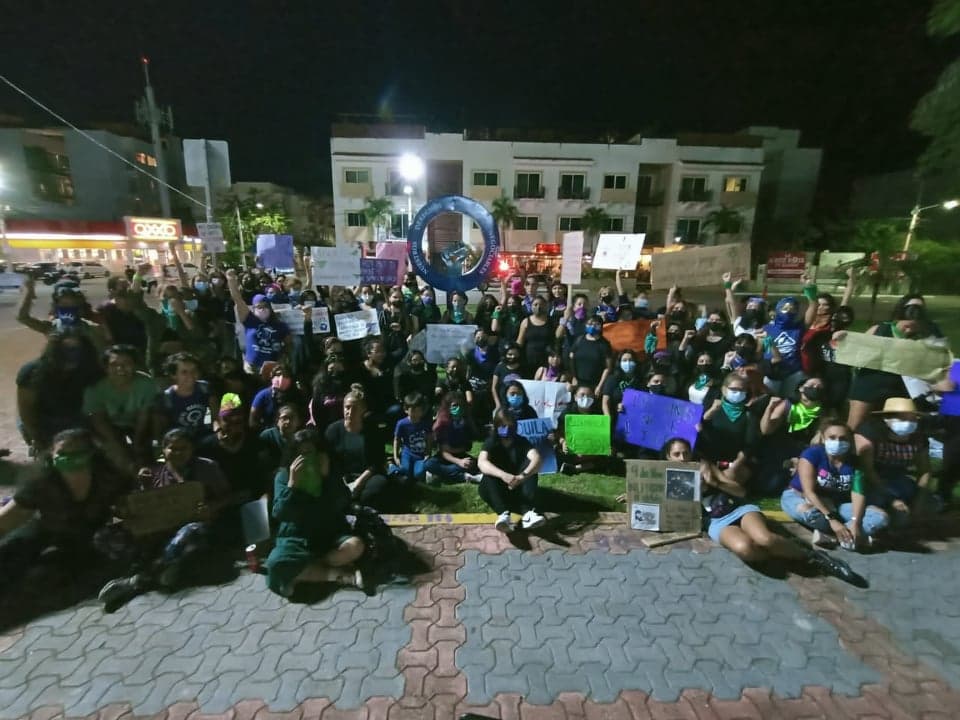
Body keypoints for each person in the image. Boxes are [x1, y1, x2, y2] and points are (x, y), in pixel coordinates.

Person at [96, 429, 233, 610]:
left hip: (194, 529)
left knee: (191, 531)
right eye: (172, 448)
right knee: (106, 533)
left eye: (183, 448)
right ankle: (158, 569)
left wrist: (212, 507)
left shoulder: (207, 467)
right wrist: (132, 500)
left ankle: (137, 581)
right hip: (158, 532)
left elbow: (229, 496)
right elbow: (132, 508)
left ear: (192, 449)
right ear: (163, 449)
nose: (177, 453)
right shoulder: (152, 471)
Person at [0, 429, 130, 589]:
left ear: (92, 455)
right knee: (12, 550)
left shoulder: (110, 479)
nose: (70, 459)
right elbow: (8, 518)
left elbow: (133, 507)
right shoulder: (41, 483)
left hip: (92, 537)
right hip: (50, 531)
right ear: (51, 456)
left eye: (78, 453)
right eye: (62, 453)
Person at [265, 428, 365, 598]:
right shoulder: (283, 476)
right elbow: (279, 513)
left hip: (329, 533)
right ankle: (339, 575)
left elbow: (343, 501)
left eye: (310, 452)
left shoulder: (328, 470)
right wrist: (292, 486)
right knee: (275, 564)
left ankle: (309, 570)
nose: (306, 459)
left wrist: (326, 479)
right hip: (296, 537)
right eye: (300, 454)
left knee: (355, 546)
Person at [781, 418, 889, 550]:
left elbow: (858, 493)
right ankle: (852, 538)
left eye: (843, 438)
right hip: (801, 497)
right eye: (832, 437)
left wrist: (856, 522)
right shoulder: (811, 454)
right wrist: (832, 519)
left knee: (880, 516)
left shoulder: (855, 462)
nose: (837, 442)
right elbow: (809, 491)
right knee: (809, 513)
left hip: (836, 504)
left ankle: (835, 537)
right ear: (823, 437)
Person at [846, 298, 936, 430]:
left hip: (899, 389)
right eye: (911, 308)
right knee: (854, 426)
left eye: (920, 309)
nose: (915, 313)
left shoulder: (923, 336)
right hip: (869, 386)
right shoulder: (879, 329)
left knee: (895, 430)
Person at [17, 328, 103, 455]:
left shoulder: (90, 369)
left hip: (78, 418)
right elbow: (26, 412)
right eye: (67, 350)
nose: (72, 355)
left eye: (77, 350)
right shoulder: (32, 372)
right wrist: (37, 439)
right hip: (43, 420)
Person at [855, 398, 934, 526]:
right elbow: (867, 471)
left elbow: (925, 470)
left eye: (913, 419)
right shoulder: (870, 433)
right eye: (903, 419)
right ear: (887, 419)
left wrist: (920, 499)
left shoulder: (918, 438)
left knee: (932, 504)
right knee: (890, 511)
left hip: (898, 482)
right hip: (871, 483)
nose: (909, 423)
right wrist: (892, 500)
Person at [83, 344, 159, 473]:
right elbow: (98, 419)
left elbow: (144, 416)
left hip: (136, 423)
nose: (120, 368)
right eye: (114, 364)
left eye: (127, 363)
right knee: (113, 453)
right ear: (106, 367)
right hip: (109, 425)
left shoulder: (146, 383)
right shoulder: (95, 387)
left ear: (135, 365)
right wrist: (118, 447)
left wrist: (138, 443)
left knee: (144, 450)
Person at [478, 411, 545, 532]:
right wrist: (503, 475)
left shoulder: (521, 441)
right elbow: (482, 463)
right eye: (503, 426)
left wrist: (522, 476)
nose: (507, 430)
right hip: (496, 488)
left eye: (510, 426)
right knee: (489, 471)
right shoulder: (491, 442)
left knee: (531, 467)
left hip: (517, 486)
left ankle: (528, 513)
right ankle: (503, 515)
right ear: (496, 426)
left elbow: (537, 458)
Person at [324, 390, 392, 509]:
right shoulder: (333, 430)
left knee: (378, 486)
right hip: (342, 477)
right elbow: (329, 460)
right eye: (347, 408)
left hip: (365, 476)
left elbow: (377, 462)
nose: (349, 412)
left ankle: (356, 504)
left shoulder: (372, 430)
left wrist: (359, 482)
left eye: (354, 408)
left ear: (363, 410)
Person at [226, 269, 292, 375]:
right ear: (253, 308)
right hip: (251, 368)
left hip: (272, 370)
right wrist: (231, 281)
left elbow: (289, 344)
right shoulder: (250, 321)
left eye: (265, 306)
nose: (262, 309)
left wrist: (283, 358)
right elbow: (238, 299)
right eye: (259, 307)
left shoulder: (280, 325)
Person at [159, 352, 218, 439]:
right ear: (173, 375)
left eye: (194, 371)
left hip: (205, 435)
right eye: (184, 372)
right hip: (179, 440)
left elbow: (215, 416)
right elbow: (162, 429)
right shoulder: (167, 397)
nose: (190, 375)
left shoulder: (205, 388)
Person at [429, 391, 482, 484]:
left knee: (476, 463)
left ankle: (439, 475)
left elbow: (467, 446)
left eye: (461, 405)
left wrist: (460, 456)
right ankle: (464, 476)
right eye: (455, 405)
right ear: (448, 407)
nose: (458, 408)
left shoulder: (465, 422)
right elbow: (444, 452)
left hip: (461, 455)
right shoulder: (443, 424)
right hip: (446, 458)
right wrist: (459, 462)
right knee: (429, 464)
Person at [389, 392, 435, 485]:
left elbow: (429, 439)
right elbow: (396, 440)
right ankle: (391, 466)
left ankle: (427, 472)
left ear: (423, 411)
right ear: (406, 410)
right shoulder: (402, 424)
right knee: (405, 470)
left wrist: (428, 453)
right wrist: (396, 456)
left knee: (418, 474)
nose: (415, 414)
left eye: (418, 411)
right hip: (407, 454)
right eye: (413, 410)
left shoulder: (425, 424)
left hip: (420, 455)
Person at [557, 385, 605, 475]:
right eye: (582, 395)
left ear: (593, 398)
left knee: (608, 455)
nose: (585, 398)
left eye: (589, 395)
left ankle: (575, 468)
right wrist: (563, 442)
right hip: (572, 450)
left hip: (592, 451)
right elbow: (557, 432)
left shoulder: (598, 413)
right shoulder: (567, 412)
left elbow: (602, 436)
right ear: (575, 397)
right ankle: (578, 467)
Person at [569, 316, 612, 395]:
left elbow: (607, 368)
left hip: (595, 384)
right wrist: (574, 377)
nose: (592, 326)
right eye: (589, 324)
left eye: (596, 324)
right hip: (578, 382)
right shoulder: (579, 340)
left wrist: (600, 386)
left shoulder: (604, 344)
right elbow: (571, 357)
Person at [250, 365, 302, 430]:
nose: (281, 378)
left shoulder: (298, 395)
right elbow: (252, 421)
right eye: (278, 375)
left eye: (285, 375)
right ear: (272, 377)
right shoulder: (263, 395)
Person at [516, 295, 557, 374]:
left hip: (546, 360)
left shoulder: (551, 322)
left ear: (546, 306)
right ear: (531, 306)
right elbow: (519, 342)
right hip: (529, 360)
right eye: (535, 304)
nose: (538, 307)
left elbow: (556, 339)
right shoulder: (526, 322)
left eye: (541, 304)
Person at [260, 403, 304, 474]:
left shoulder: (301, 438)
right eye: (284, 418)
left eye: (292, 418)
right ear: (277, 421)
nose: (288, 422)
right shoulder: (267, 436)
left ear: (298, 422)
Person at [491, 343, 525, 414]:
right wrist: (498, 404)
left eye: (515, 354)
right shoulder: (500, 367)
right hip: (503, 404)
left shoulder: (524, 368)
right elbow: (494, 387)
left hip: (520, 405)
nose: (512, 357)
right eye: (510, 354)